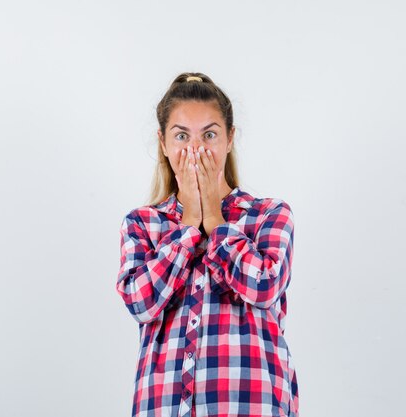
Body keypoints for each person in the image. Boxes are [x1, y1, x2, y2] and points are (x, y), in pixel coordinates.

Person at [116, 72, 299, 417]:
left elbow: (263, 287)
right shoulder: (143, 223)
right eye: (181, 135)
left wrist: (214, 218)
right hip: (164, 405)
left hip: (249, 403)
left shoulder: (268, 215)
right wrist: (188, 226)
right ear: (164, 144)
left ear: (230, 139)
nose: (196, 149)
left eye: (210, 134)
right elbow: (140, 303)